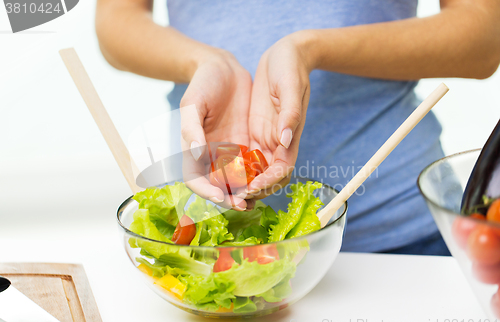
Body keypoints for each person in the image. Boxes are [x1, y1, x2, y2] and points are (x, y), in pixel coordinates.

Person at [95, 0, 500, 255]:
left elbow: (484, 37)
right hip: (215, 237)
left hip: (402, 231)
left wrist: (312, 49)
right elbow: (116, 20)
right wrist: (203, 61)